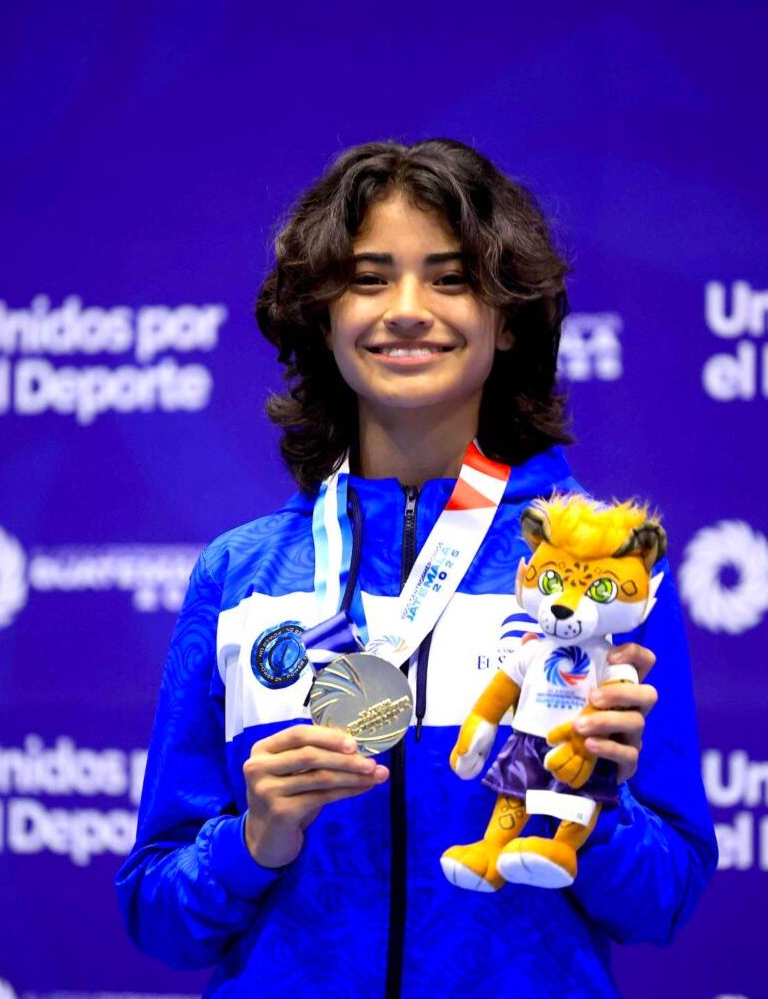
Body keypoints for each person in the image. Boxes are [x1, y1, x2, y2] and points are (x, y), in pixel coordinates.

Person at [116, 139, 717, 998]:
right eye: (368, 278)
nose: (406, 309)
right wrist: (254, 842)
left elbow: (665, 902)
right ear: (322, 314)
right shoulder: (241, 573)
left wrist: (599, 809)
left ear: (506, 317)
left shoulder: (597, 568)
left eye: (450, 277)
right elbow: (157, 917)